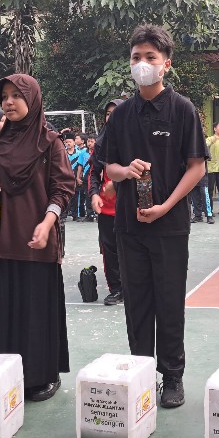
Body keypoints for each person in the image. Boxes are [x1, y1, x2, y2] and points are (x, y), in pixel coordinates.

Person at [105, 25, 207, 409]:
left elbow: (196, 167)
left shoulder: (182, 110)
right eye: (136, 57)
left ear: (166, 64)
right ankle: (140, 372)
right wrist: (125, 172)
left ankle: (173, 377)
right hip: (128, 227)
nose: (142, 64)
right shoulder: (121, 115)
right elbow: (109, 167)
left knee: (168, 301)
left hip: (169, 225)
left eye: (150, 57)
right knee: (136, 302)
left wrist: (166, 206)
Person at [0, 74, 76, 402]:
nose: (8, 102)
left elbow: (63, 188)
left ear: (32, 99)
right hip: (1, 239)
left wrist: (48, 222)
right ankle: (4, 373)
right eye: (4, 97)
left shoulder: (50, 142)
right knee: (5, 308)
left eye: (15, 96)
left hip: (38, 237)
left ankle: (42, 375)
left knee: (37, 309)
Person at [89, 99, 126, 306]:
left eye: (116, 112)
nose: (110, 117)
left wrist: (118, 185)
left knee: (130, 250)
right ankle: (117, 288)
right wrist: (95, 194)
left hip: (130, 207)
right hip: (106, 209)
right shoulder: (101, 143)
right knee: (109, 250)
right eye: (108, 113)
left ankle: (134, 287)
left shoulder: (134, 142)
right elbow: (93, 173)